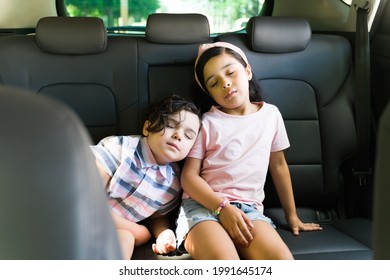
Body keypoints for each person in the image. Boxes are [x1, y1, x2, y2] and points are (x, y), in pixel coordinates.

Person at [175, 42, 323, 260]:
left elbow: (279, 166)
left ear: (247, 71)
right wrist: (222, 208)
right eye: (214, 83)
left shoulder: (271, 115)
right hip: (203, 206)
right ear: (209, 93)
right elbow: (188, 177)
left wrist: (292, 216)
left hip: (249, 210)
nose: (225, 83)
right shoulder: (206, 122)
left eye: (231, 73)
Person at [91, 95, 202, 260]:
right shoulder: (120, 148)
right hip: (83, 213)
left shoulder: (173, 184)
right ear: (147, 128)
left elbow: (158, 216)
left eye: (188, 136)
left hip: (107, 235)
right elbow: (87, 197)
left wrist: (163, 233)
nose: (179, 135)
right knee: (139, 234)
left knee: (127, 238)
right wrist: (137, 230)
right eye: (171, 125)